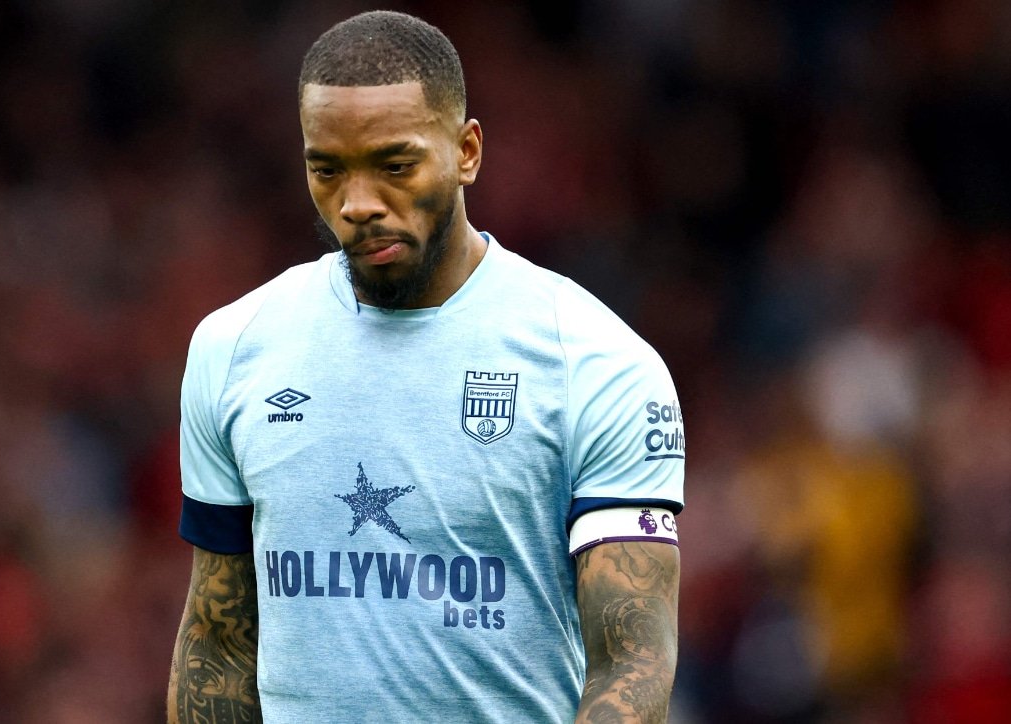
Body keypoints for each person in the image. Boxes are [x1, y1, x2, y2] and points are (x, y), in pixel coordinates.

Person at [169, 10, 684, 723]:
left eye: (395, 166)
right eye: (327, 170)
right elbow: (218, 644)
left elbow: (632, 665)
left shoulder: (595, 363)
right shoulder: (234, 348)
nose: (358, 205)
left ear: (466, 151)